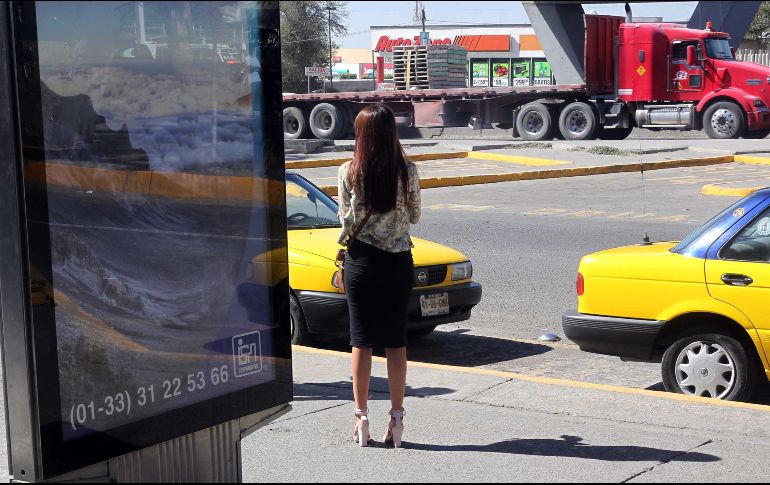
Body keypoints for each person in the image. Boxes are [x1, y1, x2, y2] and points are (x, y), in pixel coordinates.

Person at [337, 104, 421, 448]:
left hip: (361, 262)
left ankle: (362, 418)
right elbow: (414, 216)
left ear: (362, 135)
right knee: (396, 341)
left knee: (361, 340)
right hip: (398, 262)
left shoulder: (348, 170)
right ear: (392, 133)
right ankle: (397, 420)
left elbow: (344, 216)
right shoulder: (409, 171)